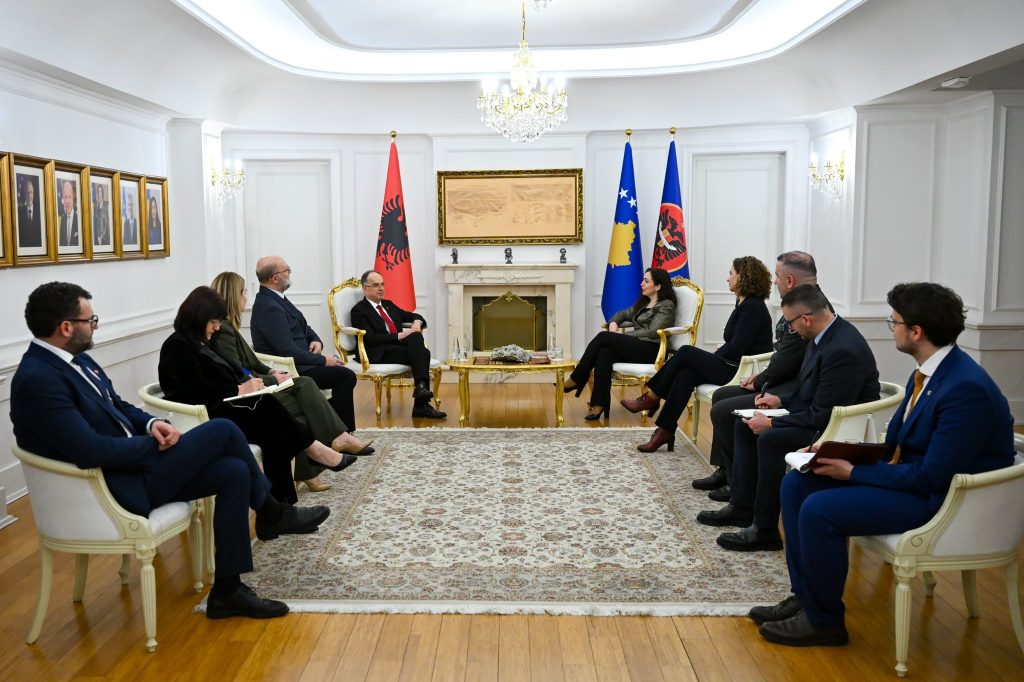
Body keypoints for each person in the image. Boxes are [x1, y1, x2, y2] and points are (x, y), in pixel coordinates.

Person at [10, 282, 330, 619]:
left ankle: (228, 590)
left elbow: (119, 406)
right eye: (91, 320)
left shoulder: (77, 361)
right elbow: (90, 450)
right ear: (65, 327)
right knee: (223, 429)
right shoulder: (38, 379)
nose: (95, 327)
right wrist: (152, 445)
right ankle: (273, 512)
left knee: (234, 472)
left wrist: (151, 424)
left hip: (134, 467)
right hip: (114, 486)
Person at [753, 282, 1015, 647]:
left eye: (894, 322)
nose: (891, 329)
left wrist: (853, 472)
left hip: (944, 501)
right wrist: (838, 451)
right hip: (915, 480)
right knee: (797, 483)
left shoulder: (965, 388)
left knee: (819, 509)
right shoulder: (929, 371)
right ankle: (806, 597)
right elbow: (897, 445)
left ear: (916, 331)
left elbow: (932, 476)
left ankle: (824, 622)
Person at [702, 284, 880, 552]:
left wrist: (772, 422)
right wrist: (780, 400)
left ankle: (765, 530)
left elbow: (821, 415)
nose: (791, 330)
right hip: (818, 416)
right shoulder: (822, 336)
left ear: (805, 318)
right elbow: (809, 389)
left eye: (790, 324)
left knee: (770, 438)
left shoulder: (842, 349)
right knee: (744, 424)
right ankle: (742, 506)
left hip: (835, 430)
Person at [158, 286, 360, 505]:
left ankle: (284, 504)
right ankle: (312, 459)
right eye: (214, 322)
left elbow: (231, 372)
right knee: (273, 416)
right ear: (198, 317)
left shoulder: (202, 342)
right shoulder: (177, 346)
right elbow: (193, 391)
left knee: (275, 420)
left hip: (225, 407)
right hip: (205, 417)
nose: (217, 328)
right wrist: (238, 390)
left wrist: (248, 385)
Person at [210, 271, 373, 493]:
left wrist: (271, 370)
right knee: (305, 390)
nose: (246, 297)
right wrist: (271, 378)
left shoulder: (232, 325)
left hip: (265, 379)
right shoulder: (225, 331)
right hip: (250, 394)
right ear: (233, 296)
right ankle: (332, 446)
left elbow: (253, 361)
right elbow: (238, 371)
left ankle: (326, 453)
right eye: (244, 292)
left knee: (305, 387)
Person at [695, 251, 828, 501]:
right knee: (722, 395)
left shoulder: (809, 308)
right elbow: (782, 354)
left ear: (789, 280)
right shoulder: (804, 302)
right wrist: (761, 378)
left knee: (724, 410)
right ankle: (727, 471)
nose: (774, 281)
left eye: (777, 276)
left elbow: (787, 361)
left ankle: (740, 485)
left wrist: (760, 381)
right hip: (783, 383)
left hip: (790, 389)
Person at [621, 256, 775, 452]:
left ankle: (652, 396)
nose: (728, 278)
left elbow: (738, 346)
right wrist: (719, 354)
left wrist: (717, 355)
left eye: (731, 273)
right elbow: (735, 344)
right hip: (730, 363)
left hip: (739, 371)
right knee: (686, 374)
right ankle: (664, 430)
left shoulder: (752, 307)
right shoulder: (743, 302)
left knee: (685, 351)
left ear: (743, 277)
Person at [250, 255, 358, 431]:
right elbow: (286, 350)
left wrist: (316, 341)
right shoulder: (268, 306)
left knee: (343, 375)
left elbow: (304, 326)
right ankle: (341, 432)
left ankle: (333, 428)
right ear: (275, 278)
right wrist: (324, 360)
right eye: (287, 270)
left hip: (303, 362)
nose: (290, 273)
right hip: (292, 368)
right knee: (345, 376)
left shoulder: (277, 298)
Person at [564, 268, 676, 421]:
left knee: (603, 337)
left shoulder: (666, 305)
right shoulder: (644, 303)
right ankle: (599, 403)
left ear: (658, 286)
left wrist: (620, 336)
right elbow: (622, 314)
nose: (641, 284)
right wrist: (613, 323)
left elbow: (653, 331)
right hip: (637, 346)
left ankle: (577, 377)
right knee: (604, 353)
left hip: (652, 349)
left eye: (646, 281)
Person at [350, 269, 446, 419]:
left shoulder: (388, 305)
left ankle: (420, 390)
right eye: (376, 285)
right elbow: (371, 339)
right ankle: (421, 405)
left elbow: (414, 315)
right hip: (377, 352)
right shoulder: (359, 310)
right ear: (365, 289)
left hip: (396, 348)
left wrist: (416, 323)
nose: (381, 288)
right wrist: (400, 335)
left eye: (382, 284)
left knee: (416, 337)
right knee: (424, 353)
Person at [17, 177, 42, 248]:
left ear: (33, 193)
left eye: (31, 192)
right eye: (27, 193)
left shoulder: (40, 212)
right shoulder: (19, 213)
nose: (29, 196)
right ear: (24, 194)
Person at [58, 180, 79, 247]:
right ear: (63, 200)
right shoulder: (62, 220)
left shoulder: (79, 219)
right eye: (65, 197)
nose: (67, 201)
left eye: (69, 197)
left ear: (73, 198)